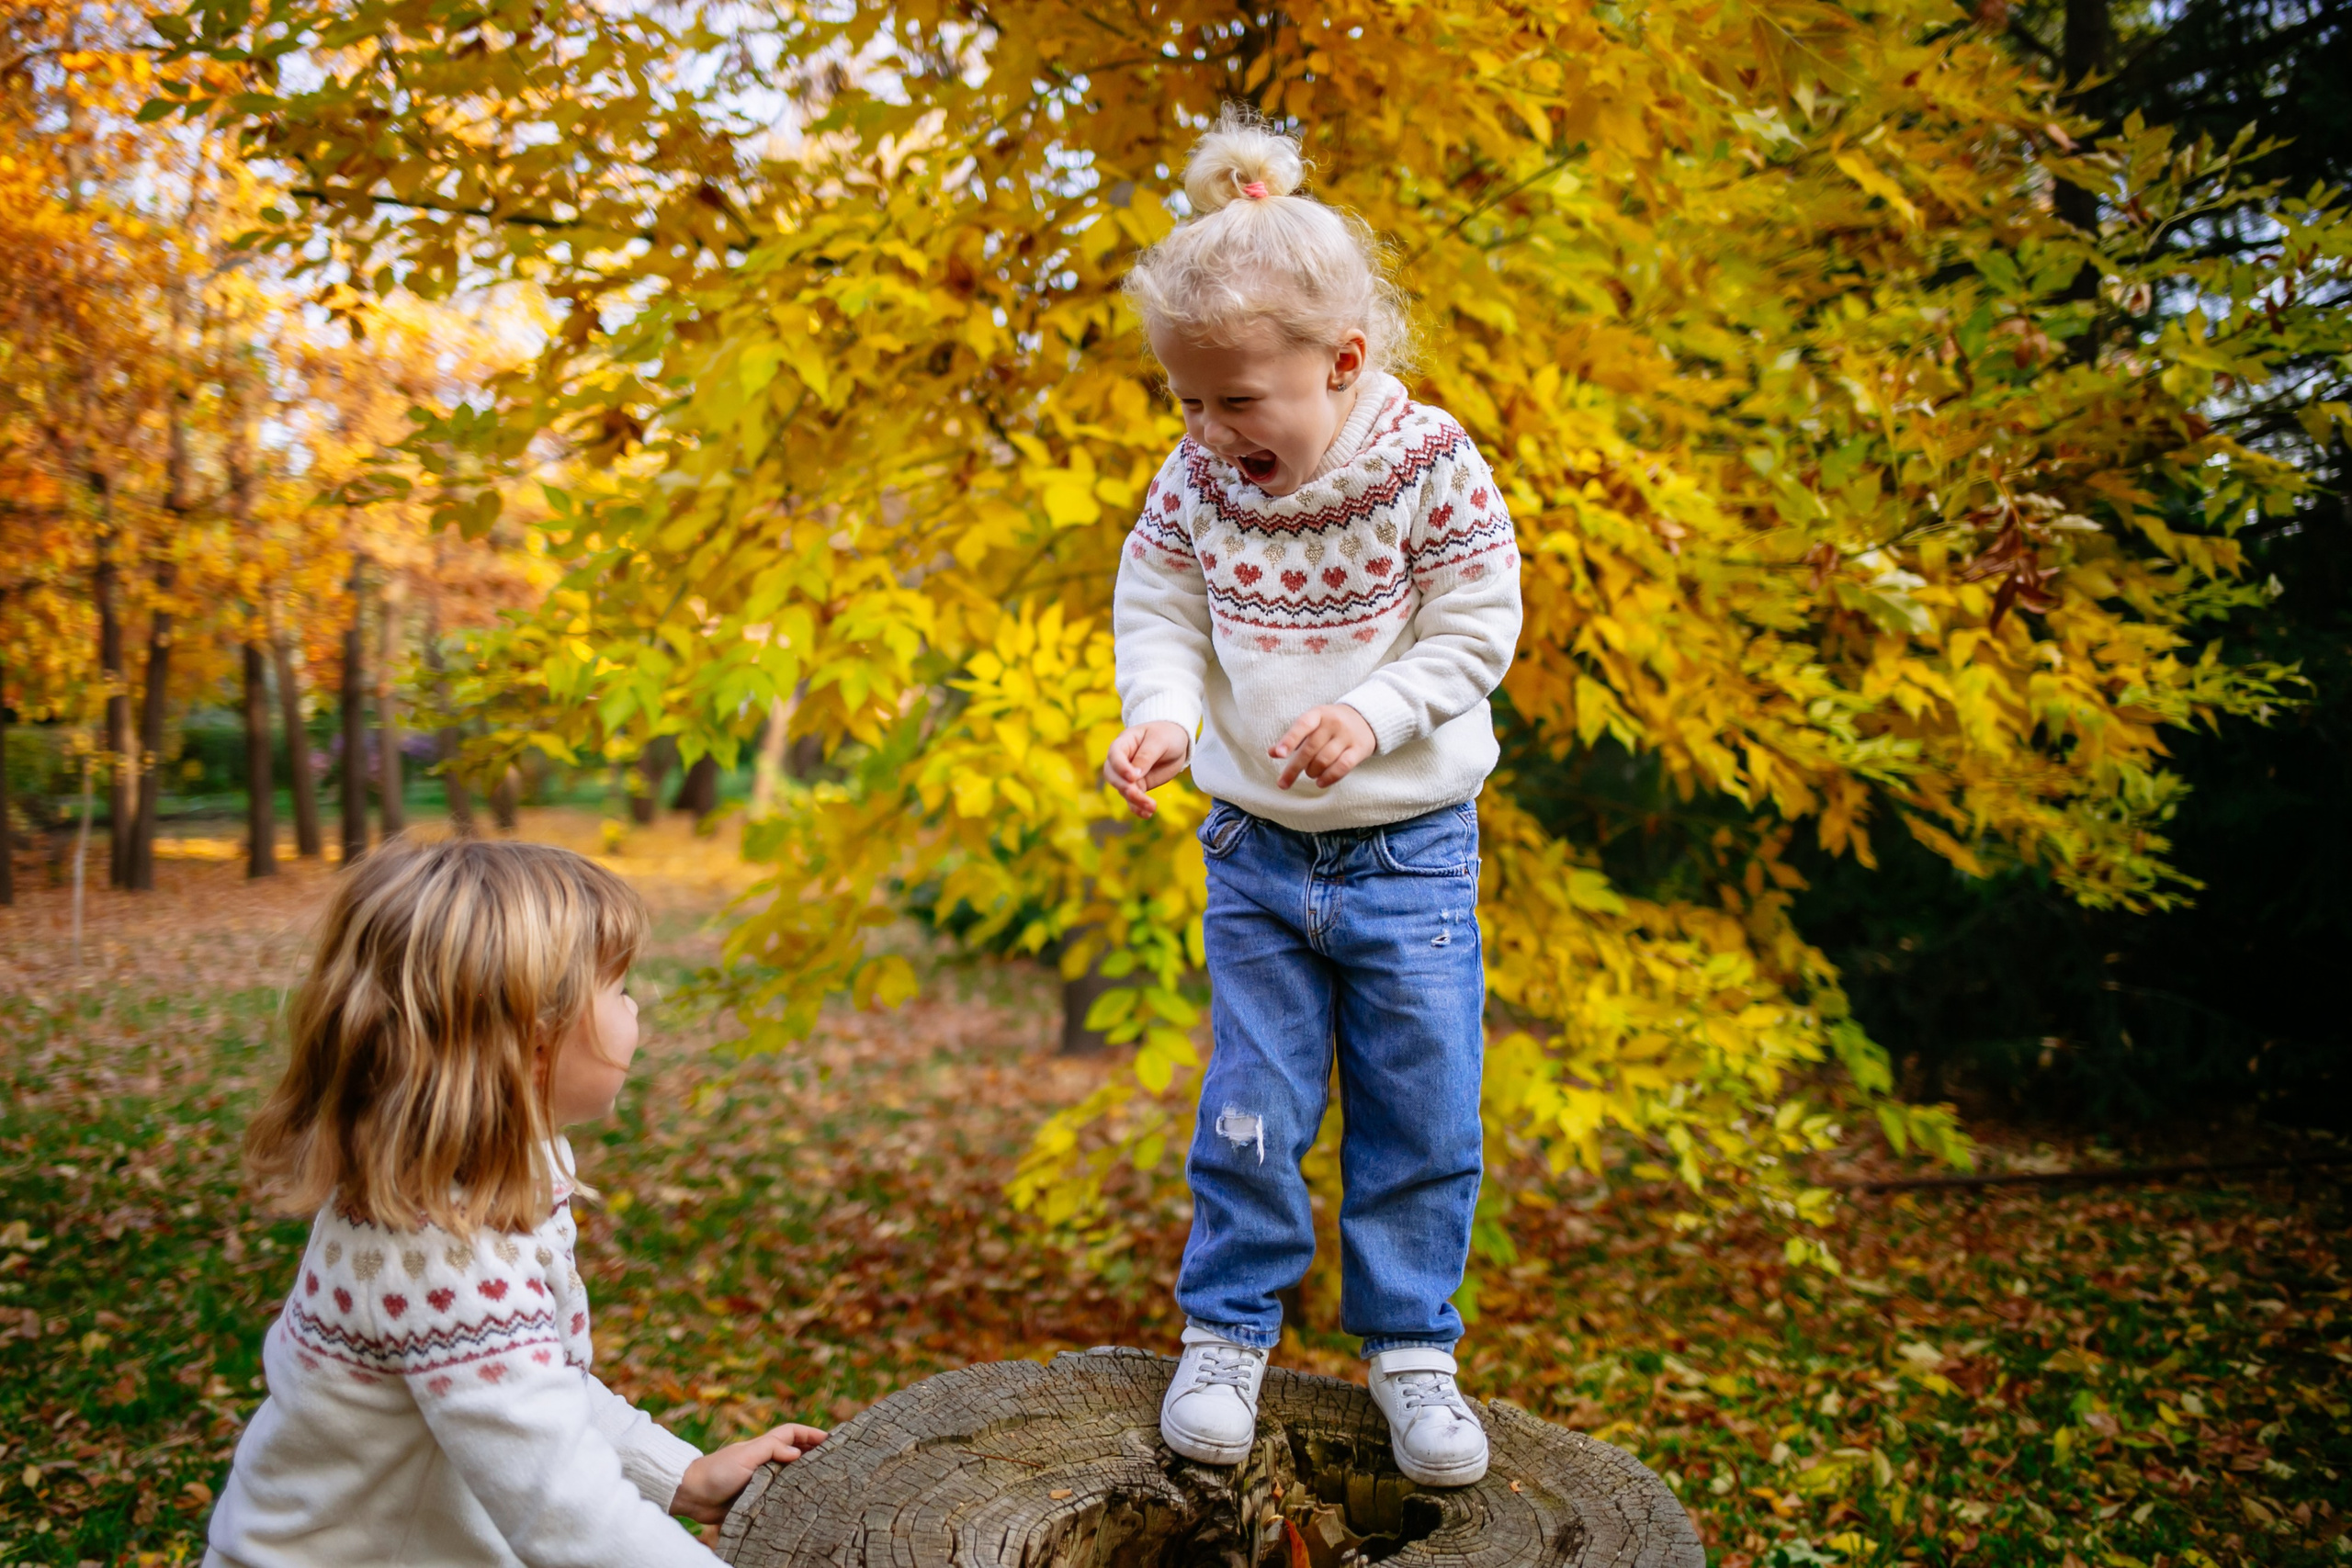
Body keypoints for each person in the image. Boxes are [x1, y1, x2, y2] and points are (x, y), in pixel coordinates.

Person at [1104, 107, 1522, 1488]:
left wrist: (1375, 710)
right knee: (1251, 1106)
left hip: (1411, 855)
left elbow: (1478, 624)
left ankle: (1412, 1349)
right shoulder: (1196, 478)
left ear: (1342, 363)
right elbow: (1160, 607)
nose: (1208, 431)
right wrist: (1164, 717)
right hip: (1258, 851)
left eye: (1236, 401)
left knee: (1424, 1111)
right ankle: (1227, 1332)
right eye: (1186, 401)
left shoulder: (1427, 463)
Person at [206, 837, 826, 1567]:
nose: (637, 1005)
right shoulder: (443, 1252)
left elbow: (537, 1385)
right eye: (619, 987)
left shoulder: (474, 1180)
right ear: (533, 1041)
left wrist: (678, 1475)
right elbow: (566, 1513)